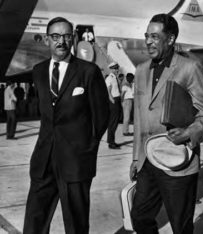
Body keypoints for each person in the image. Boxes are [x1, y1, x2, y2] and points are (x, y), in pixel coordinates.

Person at [130, 14, 203, 234]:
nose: (148, 41)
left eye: (155, 37)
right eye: (146, 36)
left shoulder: (189, 68)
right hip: (148, 161)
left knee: (180, 225)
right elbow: (139, 119)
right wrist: (135, 158)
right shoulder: (140, 71)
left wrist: (188, 133)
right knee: (139, 217)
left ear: (170, 39)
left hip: (178, 160)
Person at [23, 17, 110, 234]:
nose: (61, 41)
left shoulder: (88, 71)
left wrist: (88, 148)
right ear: (46, 40)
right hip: (44, 159)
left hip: (76, 161)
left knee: (76, 224)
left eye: (66, 36)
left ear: (73, 39)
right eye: (55, 36)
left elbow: (102, 115)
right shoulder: (39, 71)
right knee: (34, 219)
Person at [105, 61, 122, 149]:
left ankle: (112, 141)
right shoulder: (109, 78)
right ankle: (111, 143)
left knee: (115, 122)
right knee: (113, 122)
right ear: (111, 69)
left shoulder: (115, 77)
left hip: (117, 100)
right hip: (113, 100)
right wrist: (112, 100)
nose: (116, 70)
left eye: (117, 68)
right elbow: (108, 90)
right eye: (115, 68)